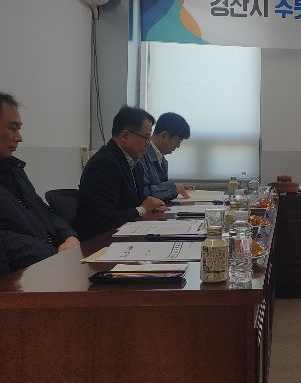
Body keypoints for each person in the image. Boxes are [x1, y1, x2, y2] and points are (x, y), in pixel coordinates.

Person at [0, 92, 79, 274]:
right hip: (19, 276)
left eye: (19, 129)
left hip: (47, 264)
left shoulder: (14, 169)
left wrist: (69, 236)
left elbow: (44, 210)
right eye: (12, 128)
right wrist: (52, 254)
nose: (19, 137)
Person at [75, 106, 168, 240]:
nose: (148, 144)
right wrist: (142, 209)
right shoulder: (104, 163)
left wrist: (151, 207)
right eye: (146, 138)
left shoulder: (135, 164)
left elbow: (133, 204)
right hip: (98, 241)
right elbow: (102, 219)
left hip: (125, 234)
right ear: (125, 136)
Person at [139, 112, 192, 202]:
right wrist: (173, 188)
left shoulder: (161, 159)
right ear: (164, 135)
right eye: (178, 140)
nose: (178, 146)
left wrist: (178, 188)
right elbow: (143, 193)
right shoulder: (141, 155)